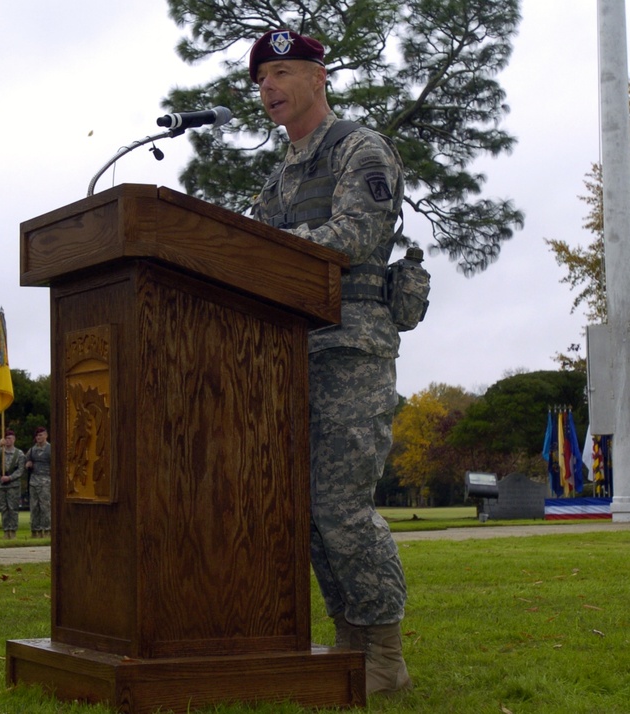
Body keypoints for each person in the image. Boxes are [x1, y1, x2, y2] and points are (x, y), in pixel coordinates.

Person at [248, 30, 410, 695]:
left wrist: (265, 252)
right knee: (307, 512)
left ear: (320, 77)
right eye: (260, 80)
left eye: (282, 73)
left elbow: (355, 235)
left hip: (350, 348)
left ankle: (385, 658)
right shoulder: (279, 172)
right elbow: (246, 244)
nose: (269, 90)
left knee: (342, 508)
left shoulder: (360, 149)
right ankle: (349, 642)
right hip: (287, 353)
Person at [0, 429, 24, 540]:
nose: (7, 440)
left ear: (14, 439)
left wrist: (10, 477)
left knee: (13, 508)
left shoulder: (19, 453)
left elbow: (20, 470)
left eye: (10, 438)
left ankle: (13, 531)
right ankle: (6, 531)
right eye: (6, 438)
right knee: (3, 509)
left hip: (13, 484)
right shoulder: (0, 451)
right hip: (0, 484)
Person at [25, 426, 51, 538]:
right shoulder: (32, 450)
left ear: (46, 435)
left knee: (45, 506)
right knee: (34, 506)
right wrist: (28, 464)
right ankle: (35, 530)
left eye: (41, 435)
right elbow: (25, 461)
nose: (38, 437)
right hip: (34, 481)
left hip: (46, 480)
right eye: (37, 435)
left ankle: (47, 530)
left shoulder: (50, 449)